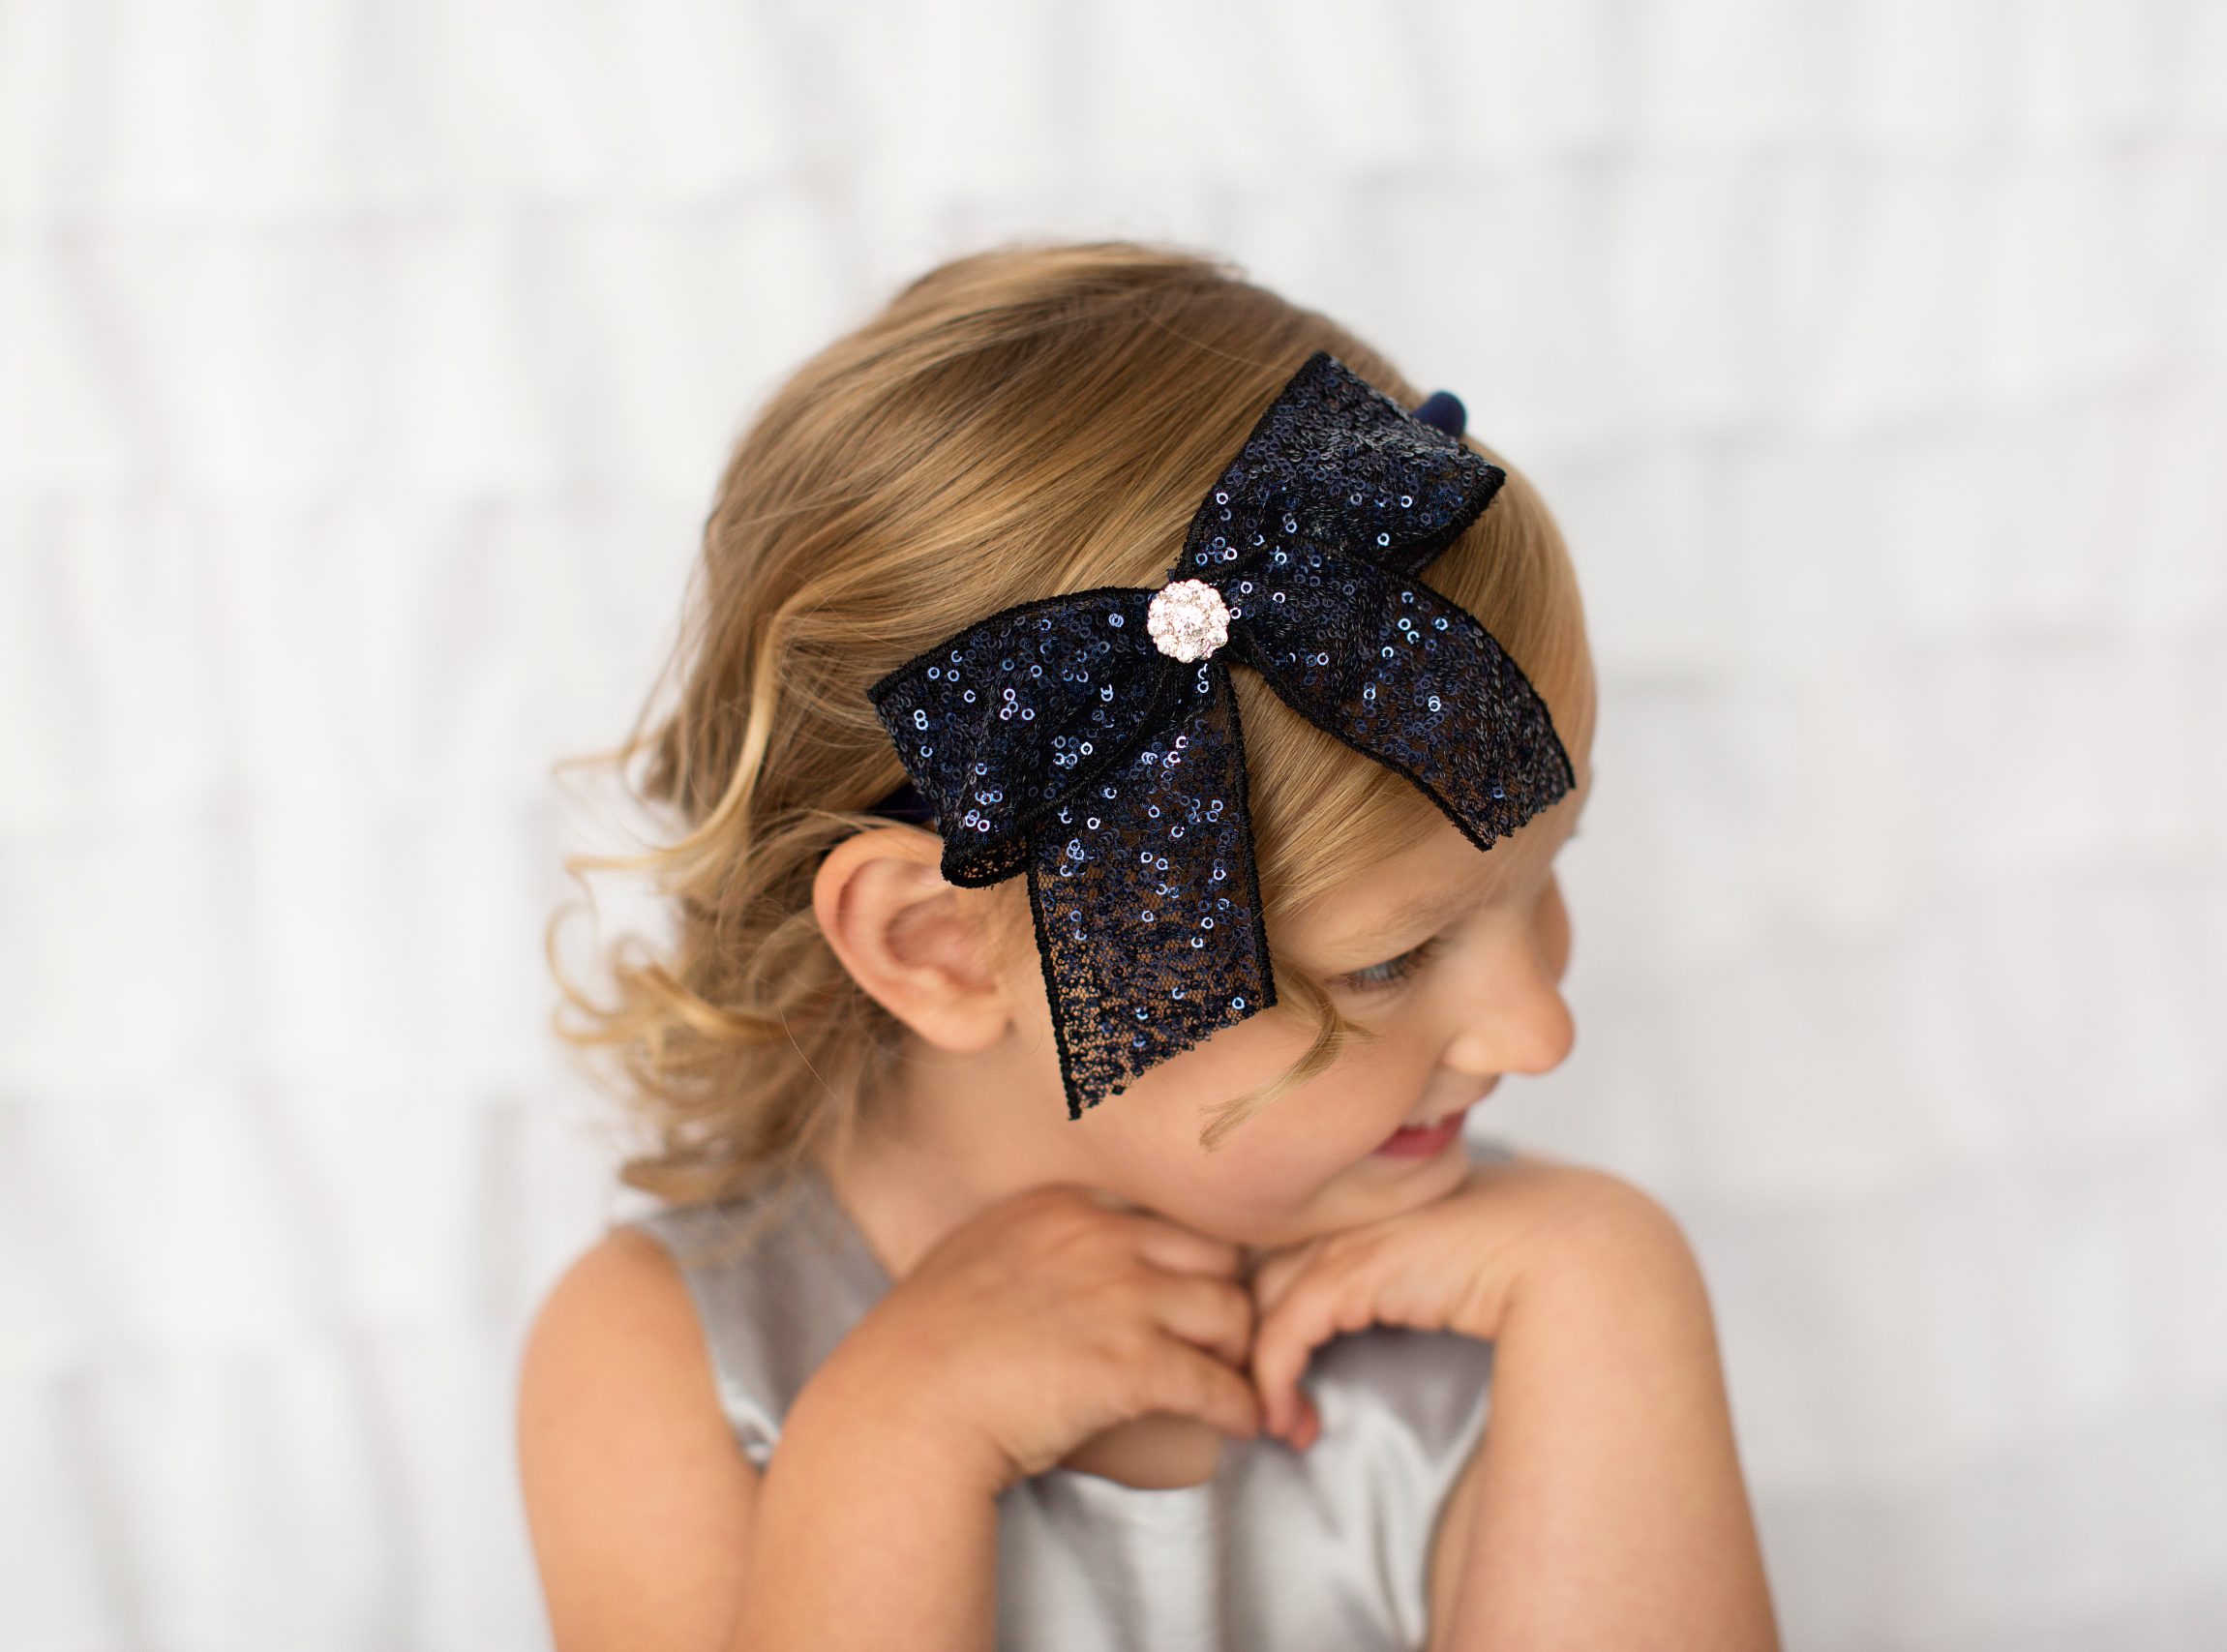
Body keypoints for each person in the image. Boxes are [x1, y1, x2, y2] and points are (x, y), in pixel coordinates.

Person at [517, 237, 1780, 1651]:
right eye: (1388, 961)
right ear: (940, 947)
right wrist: (894, 1448)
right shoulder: (667, 1358)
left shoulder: (1502, 1301)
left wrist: (1613, 1292)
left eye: (1545, 880)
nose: (1540, 1033)